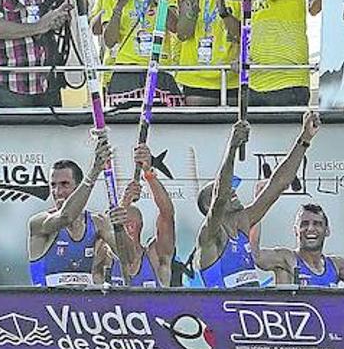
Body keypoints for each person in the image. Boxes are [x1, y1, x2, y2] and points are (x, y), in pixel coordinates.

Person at [192, 113, 320, 288]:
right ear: (208, 206)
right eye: (228, 189)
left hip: (248, 311)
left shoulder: (242, 223)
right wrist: (232, 148)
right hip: (221, 313)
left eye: (233, 188)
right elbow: (220, 199)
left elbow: (278, 184)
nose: (232, 191)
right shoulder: (210, 235)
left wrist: (305, 138)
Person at [27, 133, 133, 287]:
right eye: (53, 185)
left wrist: (120, 228)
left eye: (64, 184)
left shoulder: (98, 223)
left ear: (77, 189)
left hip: (82, 308)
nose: (57, 192)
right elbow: (66, 217)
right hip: (46, 306)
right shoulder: (39, 223)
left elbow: (128, 260)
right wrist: (94, 172)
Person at [97, 0, 182, 105]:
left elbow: (174, 27)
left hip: (158, 67)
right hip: (126, 69)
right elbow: (109, 41)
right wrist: (119, 5)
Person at [175, 0, 242, 105]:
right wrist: (192, 12)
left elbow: (241, 36)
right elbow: (182, 34)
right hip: (196, 79)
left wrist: (225, 14)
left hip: (230, 79)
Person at [116, 143, 177, 287]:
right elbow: (106, 225)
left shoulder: (154, 255)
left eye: (121, 223)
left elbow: (167, 214)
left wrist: (148, 173)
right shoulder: (106, 257)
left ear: (131, 227)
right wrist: (124, 203)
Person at [252, 203, 343, 286]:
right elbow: (256, 257)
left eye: (317, 224)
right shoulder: (286, 259)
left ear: (327, 231)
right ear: (296, 230)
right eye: (304, 224)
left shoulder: (336, 265)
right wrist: (259, 207)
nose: (310, 228)